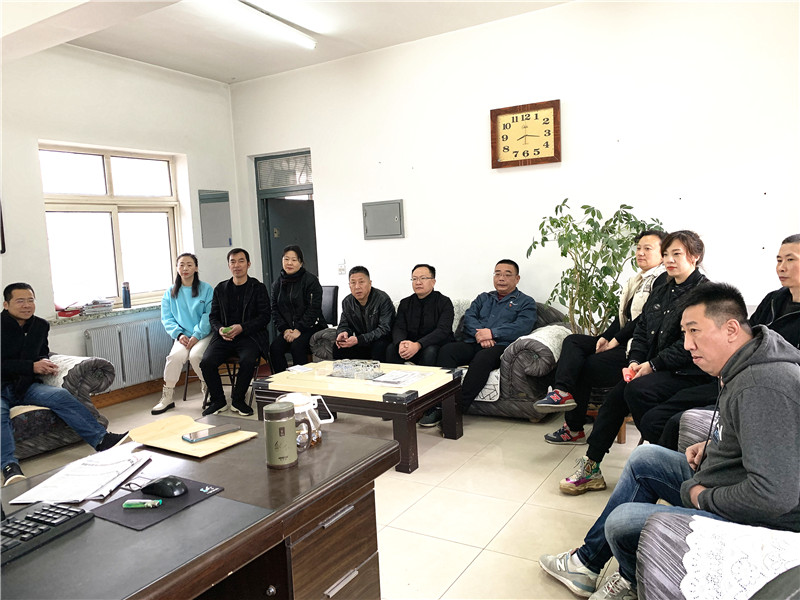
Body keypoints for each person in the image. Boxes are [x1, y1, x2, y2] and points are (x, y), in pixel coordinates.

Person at [539, 282, 800, 600]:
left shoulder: (763, 385)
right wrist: (713, 445)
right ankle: (586, 564)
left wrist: (702, 498)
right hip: (729, 478)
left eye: (695, 331)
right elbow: (766, 440)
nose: (688, 344)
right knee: (645, 458)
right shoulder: (742, 365)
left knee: (622, 521)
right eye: (684, 333)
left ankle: (630, 578)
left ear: (731, 329)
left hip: (766, 514)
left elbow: (775, 496)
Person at [560, 231, 712, 495]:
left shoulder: (706, 294)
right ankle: (591, 468)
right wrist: (635, 360)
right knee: (614, 400)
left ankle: (660, 461)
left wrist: (652, 365)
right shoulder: (662, 288)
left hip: (689, 372)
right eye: (666, 254)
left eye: (676, 254)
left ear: (695, 256)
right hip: (656, 366)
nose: (669, 260)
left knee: (636, 392)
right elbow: (642, 329)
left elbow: (691, 344)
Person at [657, 233, 800, 449]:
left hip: (768, 391)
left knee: (676, 422)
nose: (781, 267)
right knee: (661, 411)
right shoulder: (774, 299)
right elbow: (748, 338)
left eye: (790, 260)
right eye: (779, 260)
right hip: (734, 376)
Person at [535, 230, 667, 444]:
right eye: (638, 248)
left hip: (638, 350)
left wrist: (616, 340)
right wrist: (605, 337)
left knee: (585, 366)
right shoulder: (637, 280)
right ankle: (562, 391)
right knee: (573, 341)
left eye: (647, 249)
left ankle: (574, 429)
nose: (640, 253)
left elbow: (642, 320)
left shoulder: (662, 280)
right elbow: (622, 317)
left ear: (663, 254)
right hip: (624, 342)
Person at [1, 283, 129, 486]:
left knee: (60, 396)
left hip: (25, 386)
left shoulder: (40, 325)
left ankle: (101, 440)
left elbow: (42, 352)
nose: (26, 305)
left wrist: (44, 363)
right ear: (6, 304)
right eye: (20, 301)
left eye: (30, 300)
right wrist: (31, 366)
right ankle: (9, 467)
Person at [436, 260, 537, 426]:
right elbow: (469, 317)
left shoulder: (526, 302)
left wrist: (492, 333)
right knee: (447, 351)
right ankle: (440, 404)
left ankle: (457, 409)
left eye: (507, 274)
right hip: (474, 341)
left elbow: (522, 326)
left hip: (501, 347)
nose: (501, 278)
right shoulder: (483, 298)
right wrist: (482, 335)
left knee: (483, 359)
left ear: (517, 279)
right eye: (497, 274)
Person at [200, 248, 270, 417]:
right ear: (229, 265)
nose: (237, 265)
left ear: (248, 264)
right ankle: (218, 400)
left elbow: (264, 316)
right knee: (206, 362)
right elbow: (213, 316)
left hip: (249, 336)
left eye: (241, 261)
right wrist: (220, 330)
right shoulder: (221, 288)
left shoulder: (258, 288)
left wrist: (242, 327)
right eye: (233, 261)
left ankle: (238, 400)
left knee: (247, 360)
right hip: (224, 337)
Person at [151, 253, 214, 415]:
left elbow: (208, 315)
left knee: (195, 356)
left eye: (189, 265)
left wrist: (197, 335)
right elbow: (167, 319)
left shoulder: (206, 289)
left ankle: (208, 388)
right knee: (174, 357)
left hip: (203, 335)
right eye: (181, 265)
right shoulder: (170, 293)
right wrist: (179, 335)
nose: (185, 268)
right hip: (182, 336)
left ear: (196, 268)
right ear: (177, 268)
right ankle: (167, 397)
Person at [269, 245, 326, 373]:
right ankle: (282, 381)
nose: (289, 263)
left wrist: (299, 329)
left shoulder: (311, 281)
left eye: (294, 260)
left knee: (297, 346)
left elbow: (313, 309)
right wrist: (285, 329)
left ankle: (302, 381)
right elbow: (274, 310)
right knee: (275, 348)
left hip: (311, 327)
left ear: (301, 263)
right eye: (286, 259)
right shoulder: (277, 284)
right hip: (288, 329)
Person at [385, 263, 454, 367]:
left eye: (423, 278)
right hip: (410, 345)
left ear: (433, 282)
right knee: (392, 349)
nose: (418, 282)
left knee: (430, 352)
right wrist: (401, 343)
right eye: (414, 279)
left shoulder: (444, 302)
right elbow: (399, 327)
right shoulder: (405, 303)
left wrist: (418, 345)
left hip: (434, 344)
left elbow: (443, 330)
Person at [333, 266, 395, 360]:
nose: (357, 286)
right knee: (339, 347)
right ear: (349, 285)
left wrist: (359, 339)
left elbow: (385, 329)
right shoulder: (347, 302)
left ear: (370, 283)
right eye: (353, 283)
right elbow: (344, 324)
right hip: (361, 342)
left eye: (361, 282)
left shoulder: (382, 299)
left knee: (379, 347)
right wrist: (343, 332)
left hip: (380, 340)